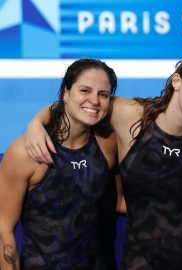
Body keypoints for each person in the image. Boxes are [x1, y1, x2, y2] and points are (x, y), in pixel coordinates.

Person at [25, 53, 182, 270]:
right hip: (139, 257)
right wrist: (37, 122)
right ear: (177, 81)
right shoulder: (128, 115)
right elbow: (78, 106)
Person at [0, 58, 121, 269]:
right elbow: (4, 229)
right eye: (85, 90)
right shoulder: (24, 152)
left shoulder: (109, 145)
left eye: (103, 95)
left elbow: (121, 200)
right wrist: (37, 122)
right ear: (66, 93)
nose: (94, 101)